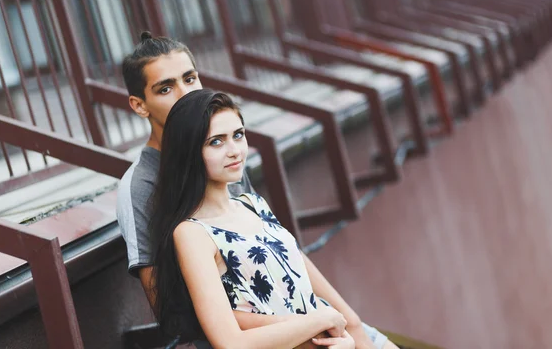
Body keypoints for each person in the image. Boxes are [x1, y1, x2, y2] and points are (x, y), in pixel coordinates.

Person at [116, 32, 397, 349]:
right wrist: (311, 329)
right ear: (140, 105)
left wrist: (347, 325)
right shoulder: (143, 189)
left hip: (313, 323)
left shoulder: (230, 168)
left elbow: (285, 254)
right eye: (166, 88)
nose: (183, 94)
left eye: (190, 79)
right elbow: (177, 312)